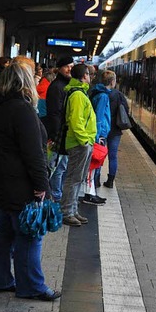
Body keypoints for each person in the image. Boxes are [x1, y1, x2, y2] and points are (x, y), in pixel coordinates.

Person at [0, 61, 61, 301]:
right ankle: (32, 287)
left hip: (1, 182)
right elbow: (33, 154)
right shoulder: (22, 110)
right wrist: (43, 187)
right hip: (21, 184)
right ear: (25, 82)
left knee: (3, 231)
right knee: (29, 235)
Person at [60, 64, 97, 226]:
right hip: (79, 143)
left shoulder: (80, 93)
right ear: (84, 76)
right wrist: (85, 141)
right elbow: (76, 121)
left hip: (82, 142)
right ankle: (67, 212)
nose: (90, 77)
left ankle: (73, 209)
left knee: (78, 178)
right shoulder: (77, 95)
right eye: (89, 74)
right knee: (74, 178)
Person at [45, 56, 74, 201]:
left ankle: (58, 195)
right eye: (66, 66)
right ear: (59, 68)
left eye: (71, 66)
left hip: (63, 134)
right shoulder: (57, 87)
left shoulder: (65, 85)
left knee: (61, 168)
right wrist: (56, 136)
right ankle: (56, 197)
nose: (69, 69)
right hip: (59, 135)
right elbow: (55, 113)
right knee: (58, 168)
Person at [101, 75, 129, 189]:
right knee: (113, 156)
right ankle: (110, 181)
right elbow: (126, 110)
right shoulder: (118, 95)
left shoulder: (98, 93)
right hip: (115, 130)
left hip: (102, 129)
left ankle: (96, 180)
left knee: (99, 154)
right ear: (112, 81)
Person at [89, 70, 114, 192]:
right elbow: (99, 116)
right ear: (112, 82)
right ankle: (94, 185)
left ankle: (94, 185)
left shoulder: (97, 91)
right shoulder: (103, 96)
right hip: (101, 132)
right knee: (97, 159)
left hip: (99, 131)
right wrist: (97, 135)